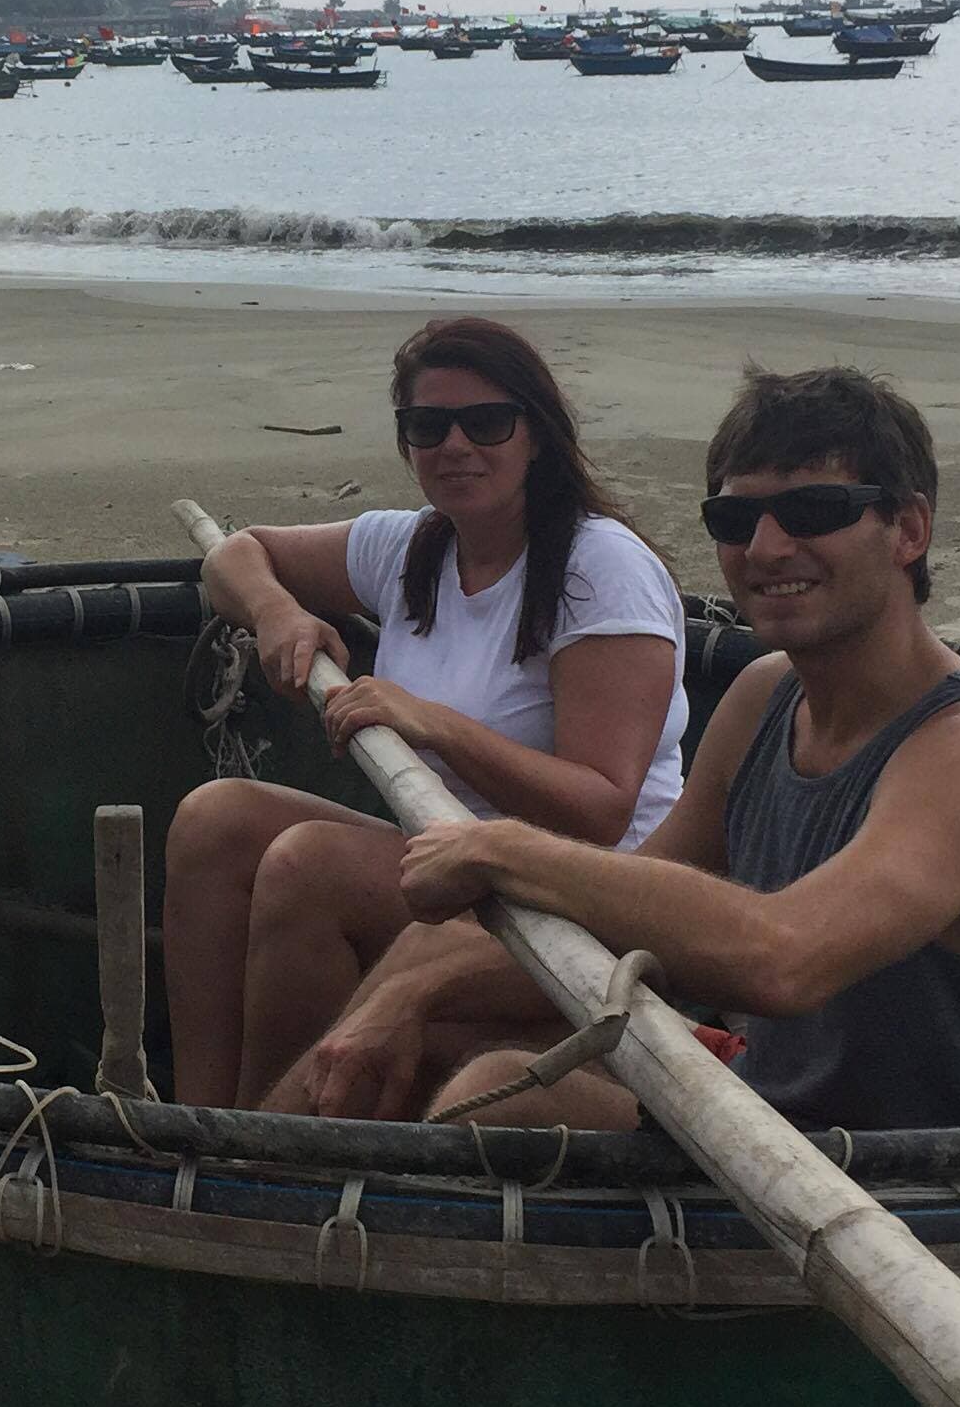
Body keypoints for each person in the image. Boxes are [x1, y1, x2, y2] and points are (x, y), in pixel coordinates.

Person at [274, 362, 960, 1134]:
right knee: (431, 960)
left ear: (909, 530)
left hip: (920, 1188)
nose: (769, 548)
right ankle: (254, 1170)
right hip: (771, 1114)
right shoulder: (766, 696)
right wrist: (419, 988)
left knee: (496, 1103)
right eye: (736, 519)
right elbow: (636, 929)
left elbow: (784, 959)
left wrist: (503, 848)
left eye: (815, 512)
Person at [161, 316, 690, 1111]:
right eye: (426, 425)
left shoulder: (598, 567)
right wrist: (276, 613)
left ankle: (271, 1140)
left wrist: (432, 722)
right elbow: (234, 555)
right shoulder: (410, 546)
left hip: (581, 900)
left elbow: (601, 811)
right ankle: (201, 1122)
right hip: (451, 864)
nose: (455, 445)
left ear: (536, 436)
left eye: (486, 423)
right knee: (216, 821)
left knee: (307, 865)